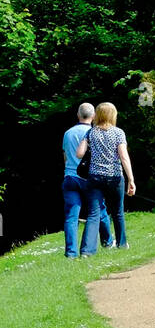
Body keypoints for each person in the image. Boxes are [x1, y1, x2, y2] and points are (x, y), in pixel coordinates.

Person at [76, 102, 136, 253]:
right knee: (117, 212)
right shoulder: (118, 132)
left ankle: (87, 251)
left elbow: (79, 153)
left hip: (95, 177)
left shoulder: (91, 133)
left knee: (93, 214)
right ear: (113, 115)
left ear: (97, 115)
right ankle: (122, 244)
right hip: (114, 177)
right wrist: (131, 179)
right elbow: (123, 157)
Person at [61, 103, 114, 258]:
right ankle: (108, 241)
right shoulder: (95, 133)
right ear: (94, 116)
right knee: (99, 210)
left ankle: (71, 253)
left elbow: (65, 157)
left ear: (78, 115)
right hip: (89, 178)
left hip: (70, 177)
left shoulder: (68, 133)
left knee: (72, 216)